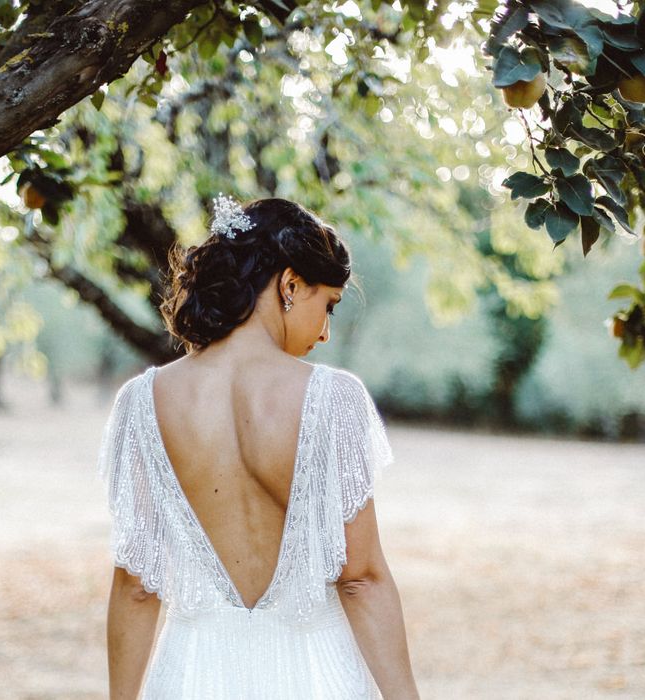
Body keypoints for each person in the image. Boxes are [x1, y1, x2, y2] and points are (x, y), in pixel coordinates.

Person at [98, 194, 419, 699]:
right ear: (290, 284)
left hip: (191, 678)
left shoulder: (141, 403)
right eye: (327, 305)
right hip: (316, 674)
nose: (326, 332)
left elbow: (137, 585)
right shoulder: (332, 399)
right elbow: (361, 578)